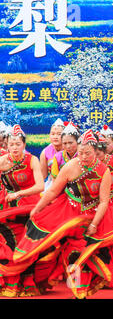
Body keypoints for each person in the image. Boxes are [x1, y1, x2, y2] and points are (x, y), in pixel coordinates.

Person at [13, 130, 113, 298]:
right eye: (80, 153)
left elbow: (104, 202)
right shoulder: (70, 167)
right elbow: (53, 192)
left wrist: (94, 224)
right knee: (69, 252)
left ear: (95, 152)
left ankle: (81, 290)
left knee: (88, 253)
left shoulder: (104, 171)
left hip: (95, 216)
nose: (83, 156)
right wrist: (38, 208)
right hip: (69, 213)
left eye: (88, 153)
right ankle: (77, 290)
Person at [0, 124, 44, 297]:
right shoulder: (3, 159)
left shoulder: (31, 160)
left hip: (29, 205)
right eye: (11, 144)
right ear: (7, 145)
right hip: (8, 207)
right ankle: (12, 280)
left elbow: (40, 186)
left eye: (18, 144)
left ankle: (28, 281)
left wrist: (19, 193)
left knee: (29, 245)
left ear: (24, 145)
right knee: (11, 243)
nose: (15, 147)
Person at [39, 118, 65, 191]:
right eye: (53, 134)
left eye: (59, 134)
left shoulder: (68, 150)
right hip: (52, 183)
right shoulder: (45, 152)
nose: (55, 137)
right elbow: (43, 175)